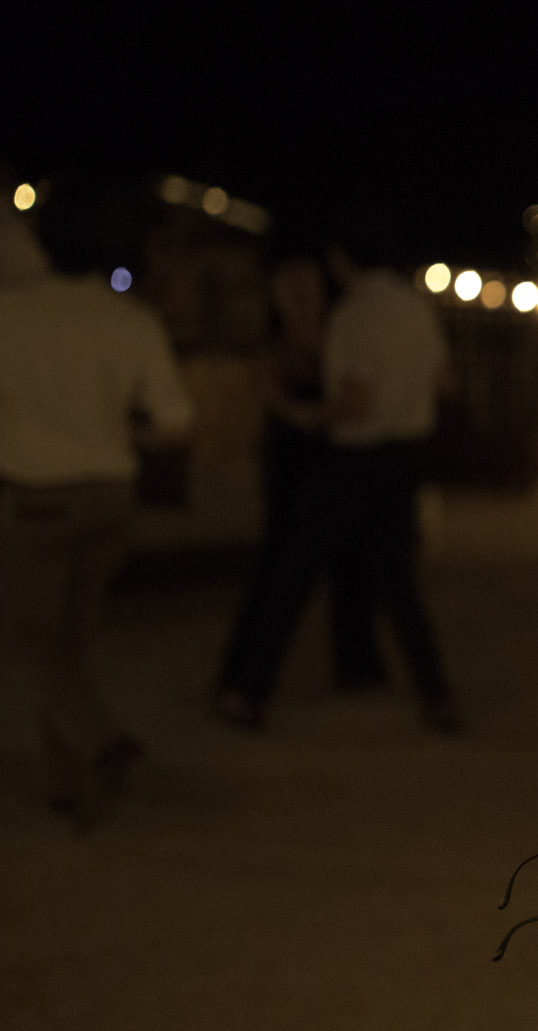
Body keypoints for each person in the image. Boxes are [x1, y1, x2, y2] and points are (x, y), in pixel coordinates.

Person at [217, 203, 459, 732]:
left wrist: (301, 415)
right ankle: (437, 697)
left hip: (356, 458)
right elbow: (444, 383)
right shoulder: (415, 307)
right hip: (406, 456)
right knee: (399, 583)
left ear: (342, 257)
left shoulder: (354, 314)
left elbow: (354, 401)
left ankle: (248, 692)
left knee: (296, 573)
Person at [0, 178, 194, 828]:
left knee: (35, 643)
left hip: (35, 500)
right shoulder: (130, 320)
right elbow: (175, 424)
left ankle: (101, 740)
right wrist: (118, 431)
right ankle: (67, 785)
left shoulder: (9, 314)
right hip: (110, 498)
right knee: (70, 645)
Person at [215, 252, 387, 690]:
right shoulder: (274, 343)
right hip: (291, 455)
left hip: (332, 451)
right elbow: (271, 393)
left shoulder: (339, 332)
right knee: (279, 560)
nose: (302, 297)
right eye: (292, 289)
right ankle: (242, 672)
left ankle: (358, 663)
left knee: (351, 560)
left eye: (308, 288)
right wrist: (305, 415)